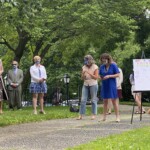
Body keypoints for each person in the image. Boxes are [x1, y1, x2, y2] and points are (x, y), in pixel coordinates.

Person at [99, 53, 120, 122]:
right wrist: (100, 78)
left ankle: (117, 117)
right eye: (102, 60)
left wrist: (109, 76)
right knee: (105, 102)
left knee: (114, 101)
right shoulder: (101, 67)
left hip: (112, 85)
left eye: (105, 59)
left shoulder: (113, 65)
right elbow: (100, 75)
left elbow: (118, 74)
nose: (104, 61)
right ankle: (104, 117)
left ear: (108, 59)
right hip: (104, 85)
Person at [77, 55, 99, 120]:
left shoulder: (95, 67)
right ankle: (81, 114)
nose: (86, 62)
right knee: (83, 100)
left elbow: (96, 77)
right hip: (85, 84)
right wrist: (83, 74)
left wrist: (89, 73)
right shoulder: (83, 67)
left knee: (93, 100)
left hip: (93, 84)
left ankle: (93, 114)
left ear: (90, 60)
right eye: (85, 60)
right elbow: (82, 78)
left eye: (87, 60)